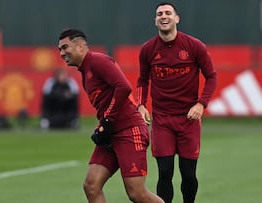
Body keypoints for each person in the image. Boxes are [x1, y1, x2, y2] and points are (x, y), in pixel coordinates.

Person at [58, 29, 164, 203]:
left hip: (130, 131)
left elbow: (123, 87)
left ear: (79, 47)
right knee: (91, 186)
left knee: (137, 194)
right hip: (111, 134)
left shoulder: (98, 61)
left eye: (64, 47)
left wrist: (107, 120)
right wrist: (104, 125)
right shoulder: (85, 70)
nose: (62, 53)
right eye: (60, 49)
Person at [137, 2, 217, 203]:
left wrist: (201, 104)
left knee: (188, 173)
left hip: (188, 120)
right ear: (155, 20)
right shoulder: (147, 50)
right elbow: (142, 79)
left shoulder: (194, 46)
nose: (164, 16)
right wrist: (141, 104)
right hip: (162, 120)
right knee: (165, 171)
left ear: (176, 18)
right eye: (159, 14)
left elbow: (212, 77)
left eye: (168, 13)